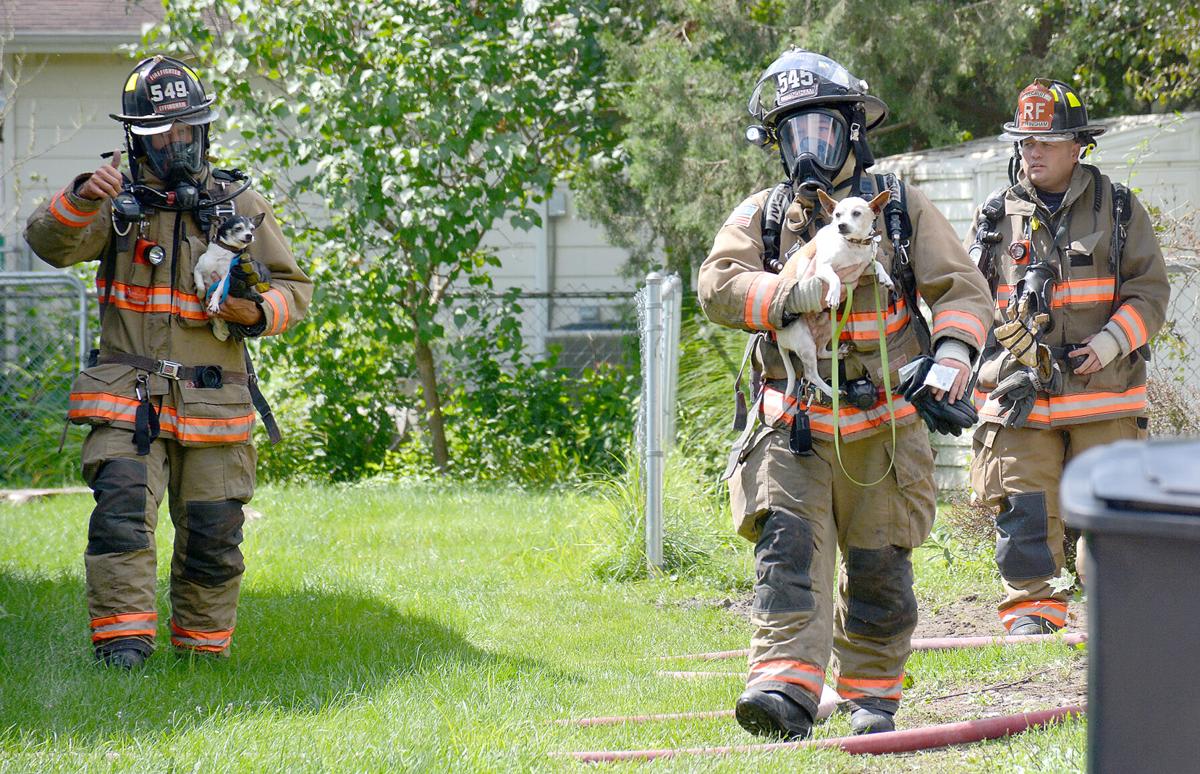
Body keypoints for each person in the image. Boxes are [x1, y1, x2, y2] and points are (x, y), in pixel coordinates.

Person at [698, 48, 992, 738]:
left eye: (823, 130)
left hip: (882, 429)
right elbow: (716, 284)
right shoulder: (764, 214)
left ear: (852, 131)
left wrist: (951, 357)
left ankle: (869, 699)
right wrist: (785, 294)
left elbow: (962, 288)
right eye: (795, 133)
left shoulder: (896, 209)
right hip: (792, 425)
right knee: (787, 558)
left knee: (879, 568)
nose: (811, 148)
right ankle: (784, 692)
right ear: (777, 142)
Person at [24, 55, 312, 669]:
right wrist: (77, 198)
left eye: (187, 129)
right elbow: (47, 244)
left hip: (215, 403)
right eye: (161, 132)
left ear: (201, 130)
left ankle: (203, 657)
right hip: (127, 397)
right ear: (136, 136)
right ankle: (123, 651)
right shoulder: (113, 198)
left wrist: (256, 314)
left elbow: (295, 288)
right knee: (122, 518)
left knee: (213, 536)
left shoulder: (238, 203)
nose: (176, 143)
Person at [966, 79, 1169, 636]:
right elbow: (968, 299)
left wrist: (1109, 343)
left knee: (1113, 515)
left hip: (1104, 394)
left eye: (1046, 142)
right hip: (1019, 397)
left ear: (1078, 145)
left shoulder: (1119, 209)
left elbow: (1149, 293)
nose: (1033, 152)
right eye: (1025, 142)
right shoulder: (992, 218)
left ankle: (1118, 617)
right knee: (1025, 510)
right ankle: (1033, 612)